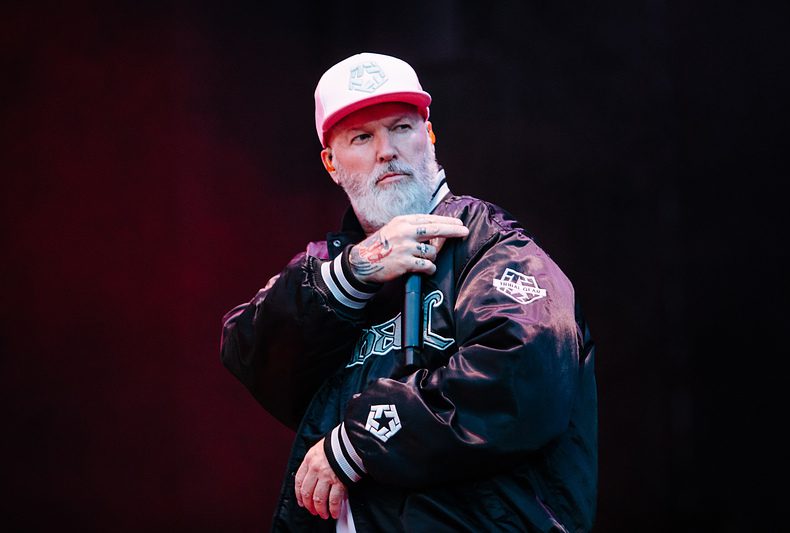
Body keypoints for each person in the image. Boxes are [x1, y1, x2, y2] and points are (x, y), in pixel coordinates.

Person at [220, 52, 597, 532]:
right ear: (331, 163)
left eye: (401, 127)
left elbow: (524, 372)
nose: (387, 150)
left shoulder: (492, 246)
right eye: (362, 136)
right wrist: (357, 269)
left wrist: (361, 439)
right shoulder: (333, 271)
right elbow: (247, 350)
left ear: (430, 135)